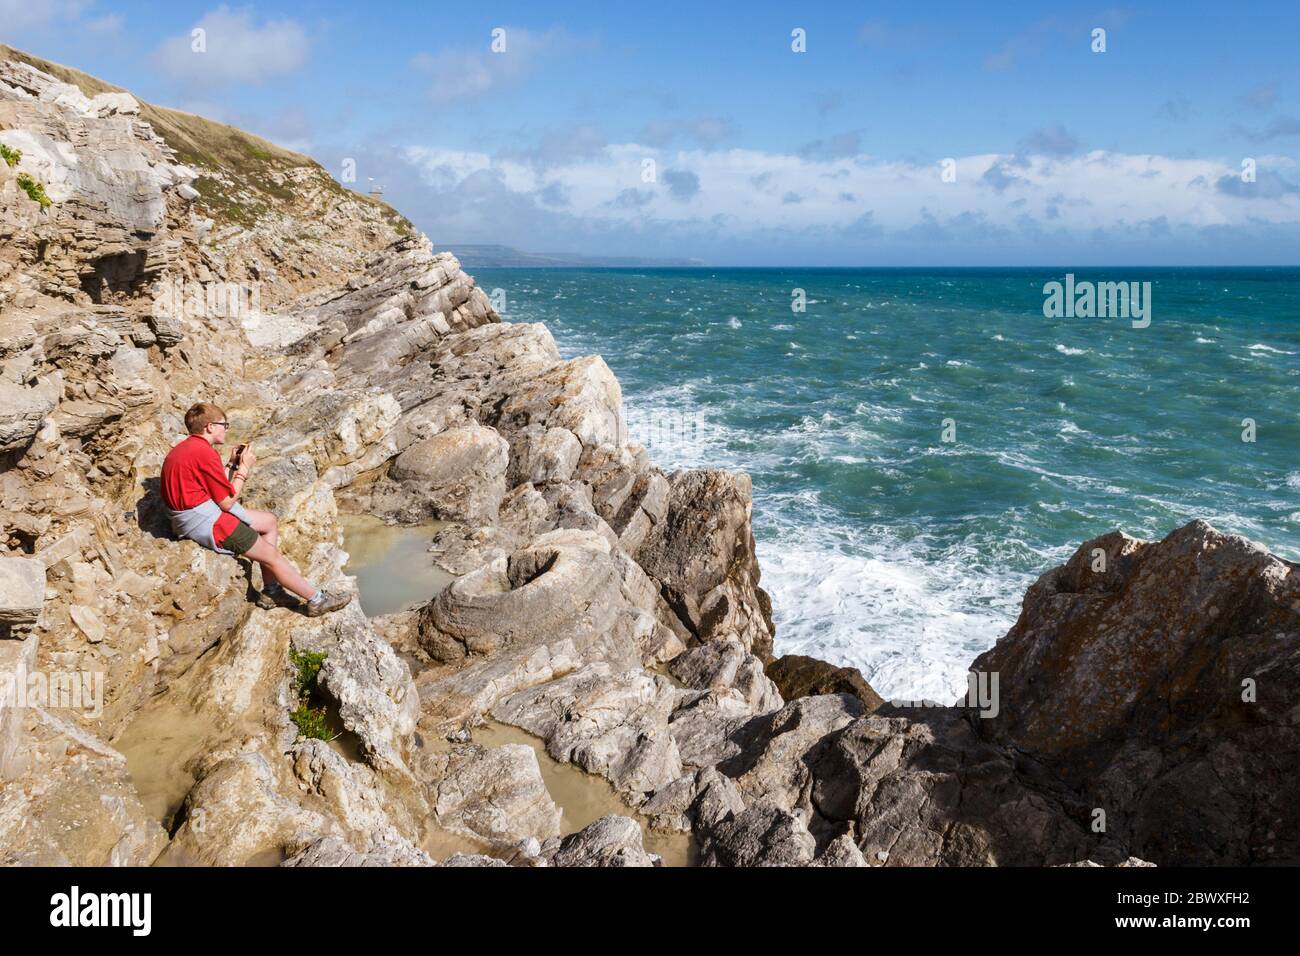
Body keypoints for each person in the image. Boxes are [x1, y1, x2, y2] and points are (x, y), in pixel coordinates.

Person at [160, 402, 351, 617]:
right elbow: (227, 502)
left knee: (268, 521)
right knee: (271, 555)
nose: (226, 429)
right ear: (210, 426)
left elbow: (213, 487)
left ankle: (272, 591)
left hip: (195, 514)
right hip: (206, 522)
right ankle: (317, 600)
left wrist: (232, 464)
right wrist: (244, 468)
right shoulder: (204, 453)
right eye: (225, 424)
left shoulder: (187, 449)